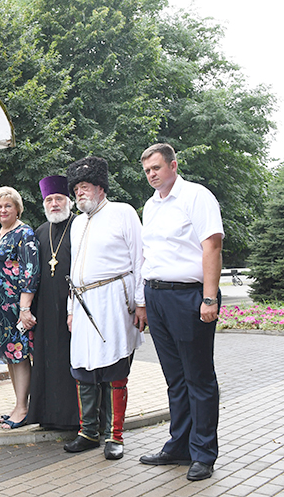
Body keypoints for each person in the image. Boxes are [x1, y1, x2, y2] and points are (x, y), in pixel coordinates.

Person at [138, 143, 224, 482]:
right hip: (156, 295)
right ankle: (179, 445)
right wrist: (143, 300)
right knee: (175, 378)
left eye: (157, 167)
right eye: (147, 171)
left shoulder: (196, 197)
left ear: (173, 165)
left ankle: (203, 452)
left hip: (188, 296)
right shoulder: (150, 205)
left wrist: (209, 298)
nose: (152, 175)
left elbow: (212, 246)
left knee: (198, 377)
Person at [63, 157, 147, 460]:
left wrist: (141, 303)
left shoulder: (122, 212)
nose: (79, 194)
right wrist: (71, 308)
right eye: (76, 190)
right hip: (83, 303)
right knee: (83, 367)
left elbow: (140, 260)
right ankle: (88, 432)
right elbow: (74, 268)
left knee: (114, 369)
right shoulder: (77, 223)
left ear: (100, 187)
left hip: (114, 300)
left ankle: (116, 435)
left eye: (83, 188)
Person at [26, 175, 80, 431]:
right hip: (46, 307)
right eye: (49, 199)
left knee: (72, 361)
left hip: (73, 306)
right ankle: (48, 415)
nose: (54, 203)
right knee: (47, 361)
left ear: (68, 201)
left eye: (59, 198)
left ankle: (73, 418)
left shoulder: (79, 226)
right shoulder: (40, 231)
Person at [0, 187, 39, 430]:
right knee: (10, 356)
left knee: (20, 355)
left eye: (8, 205)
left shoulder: (24, 233)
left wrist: (25, 308)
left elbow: (31, 271)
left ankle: (23, 408)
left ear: (17, 208)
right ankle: (18, 405)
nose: (3, 210)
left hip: (16, 306)